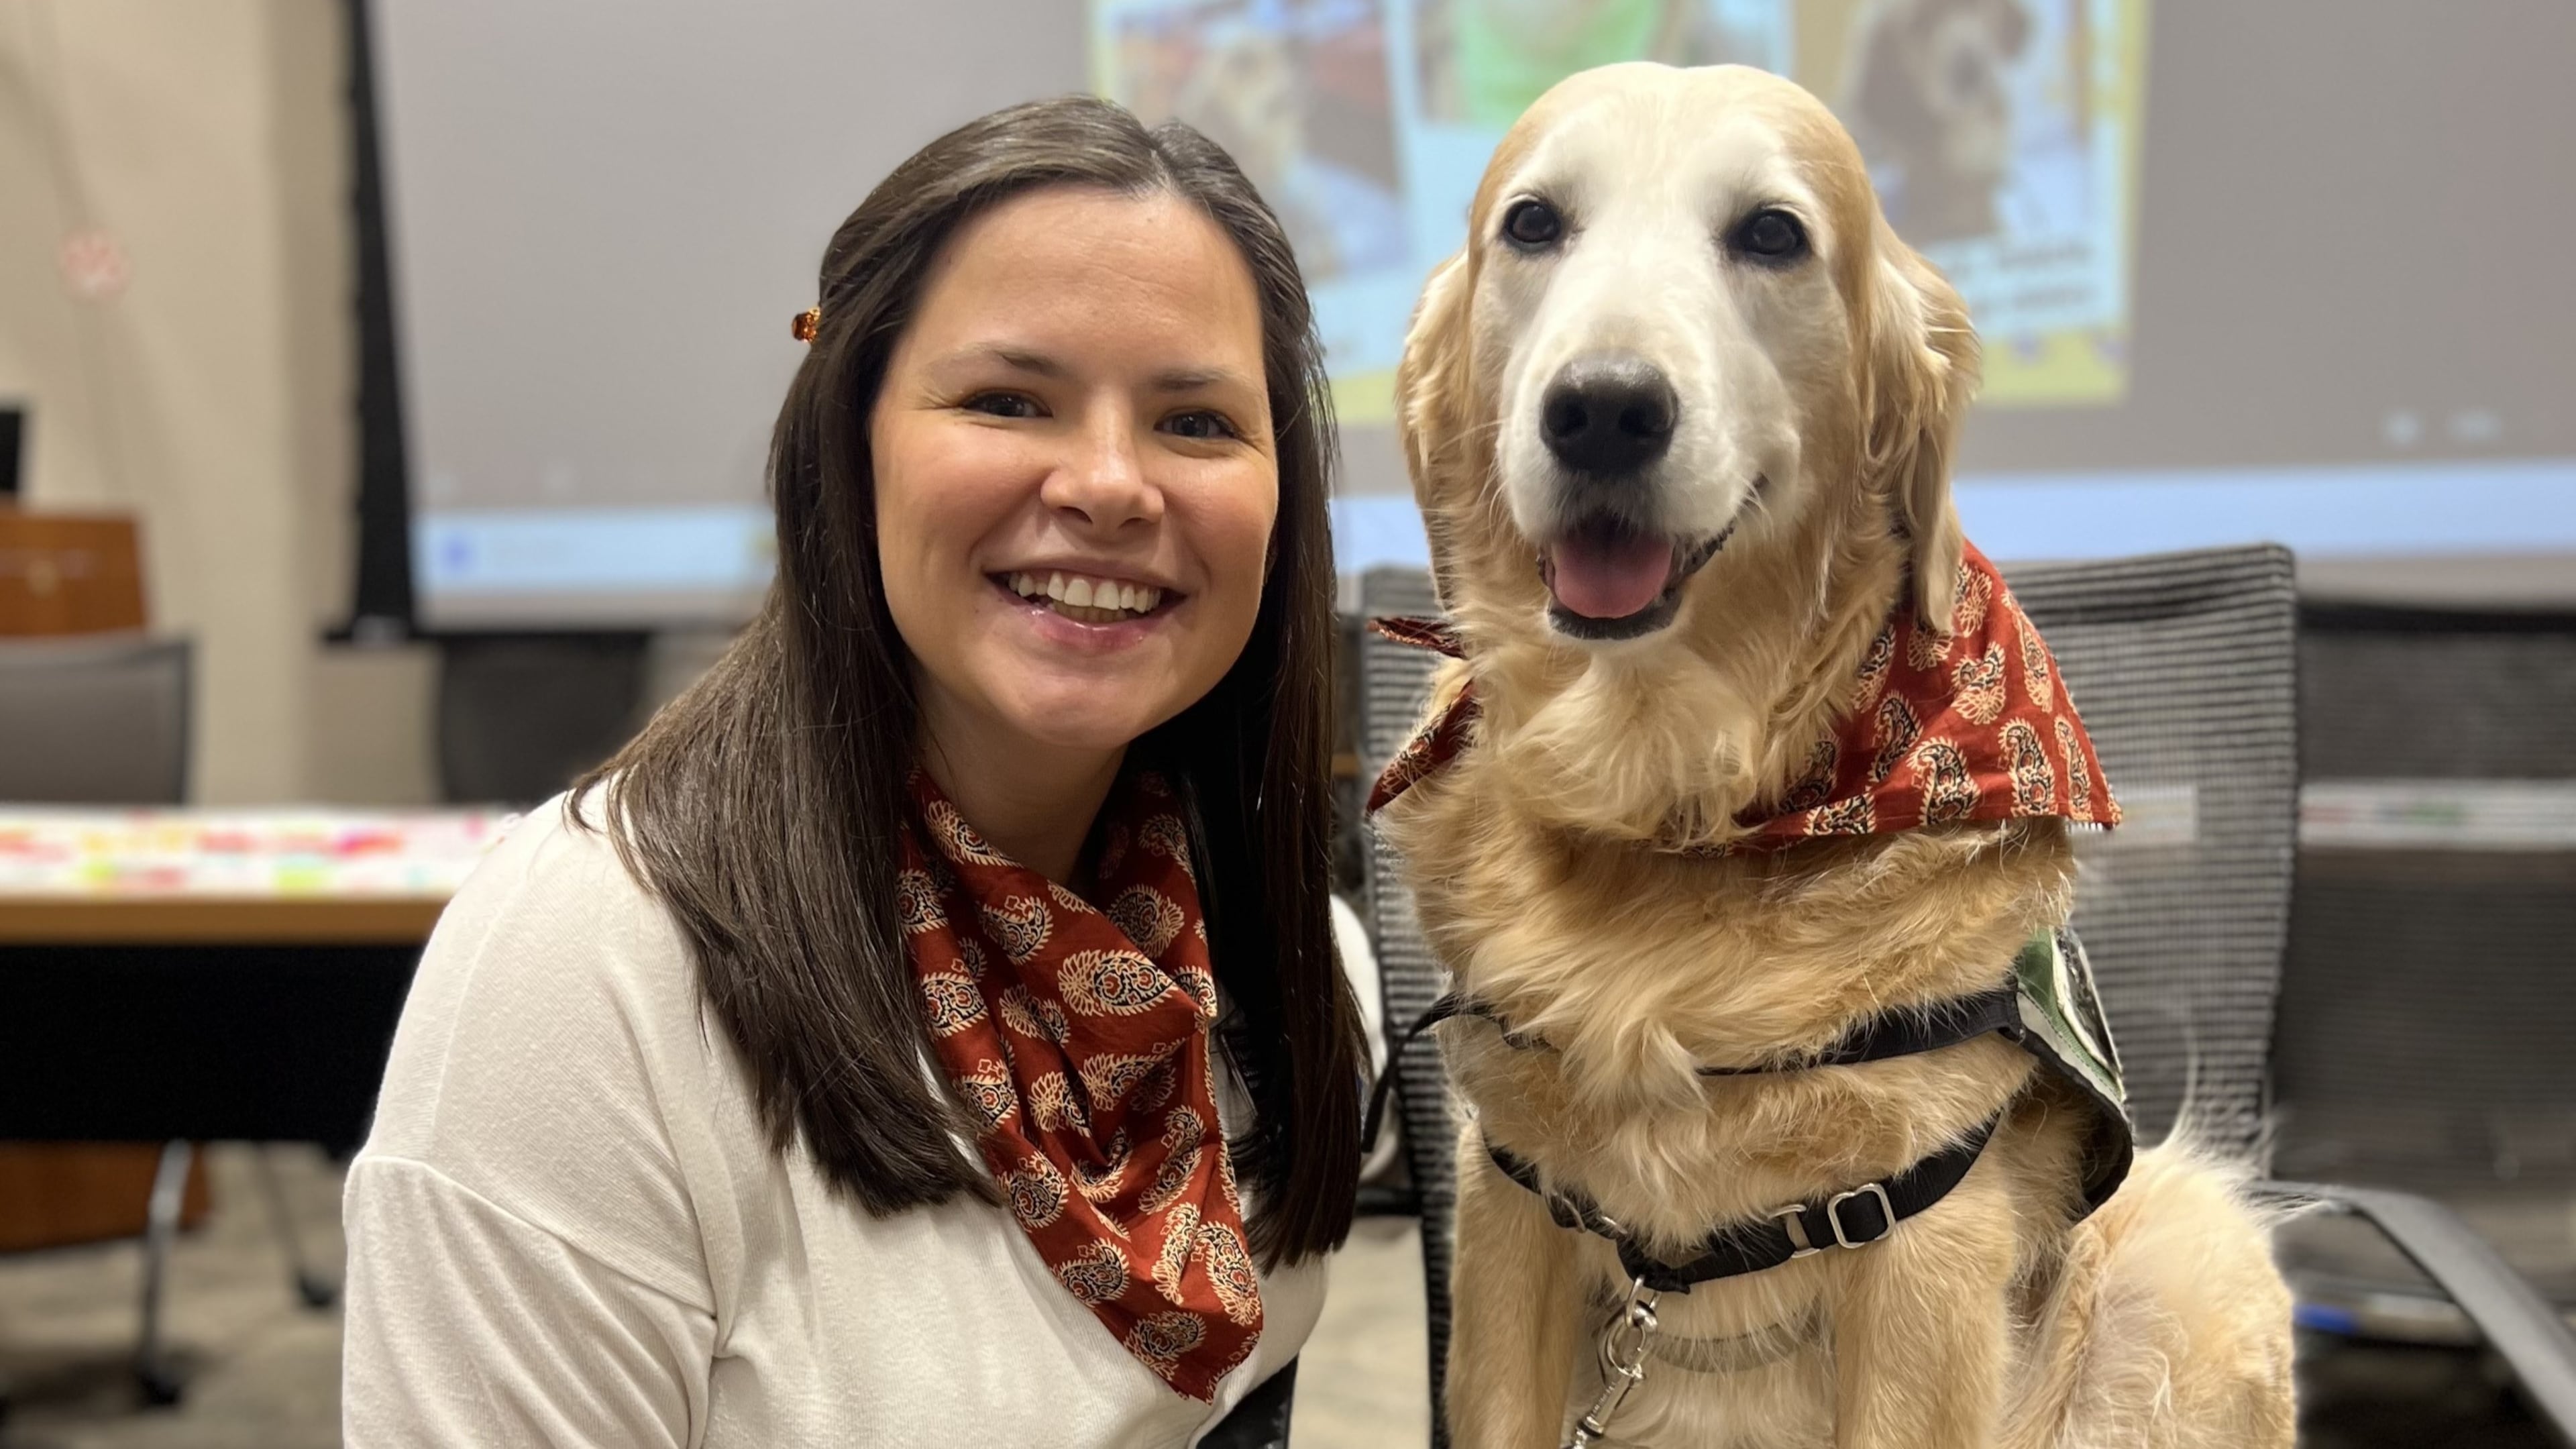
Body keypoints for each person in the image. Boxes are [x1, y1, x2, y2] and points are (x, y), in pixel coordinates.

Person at [341, 95, 1367, 1447]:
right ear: (849, 446)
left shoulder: (1298, 966)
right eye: (1009, 399)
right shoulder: (589, 973)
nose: (1112, 484)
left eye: (1196, 422)